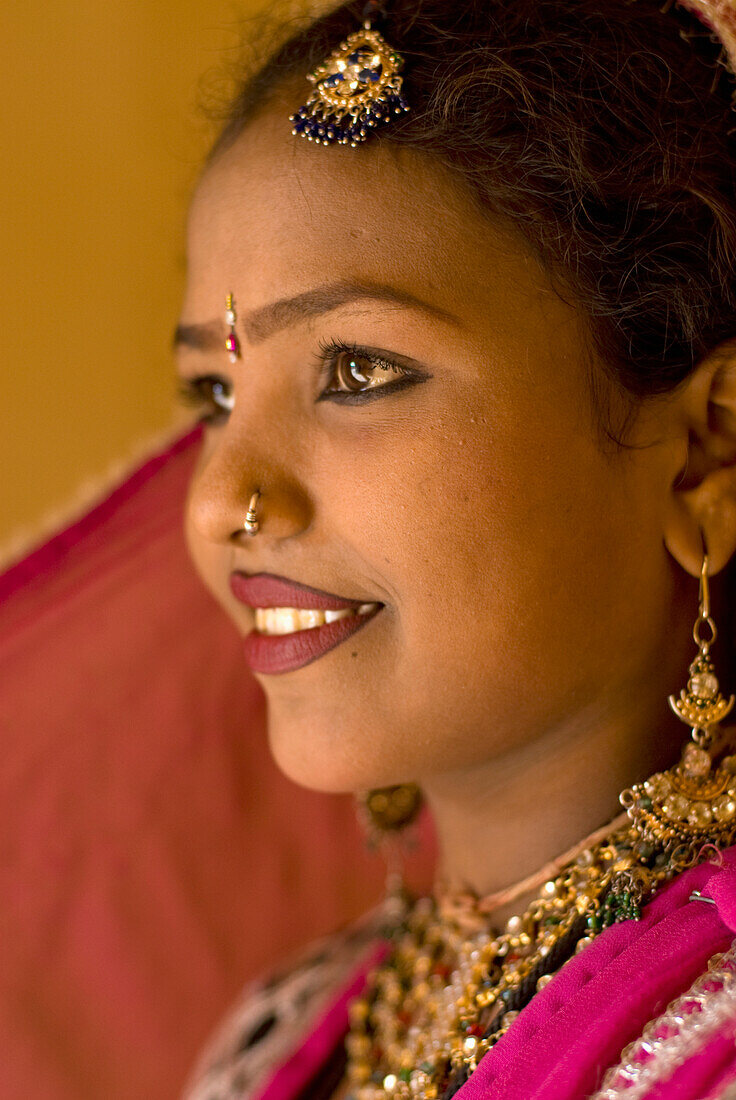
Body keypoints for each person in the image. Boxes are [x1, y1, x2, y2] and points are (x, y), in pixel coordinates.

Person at [176, 0, 736, 1095]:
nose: (218, 501)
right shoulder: (288, 1031)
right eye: (214, 390)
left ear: (702, 452)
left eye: (357, 370)